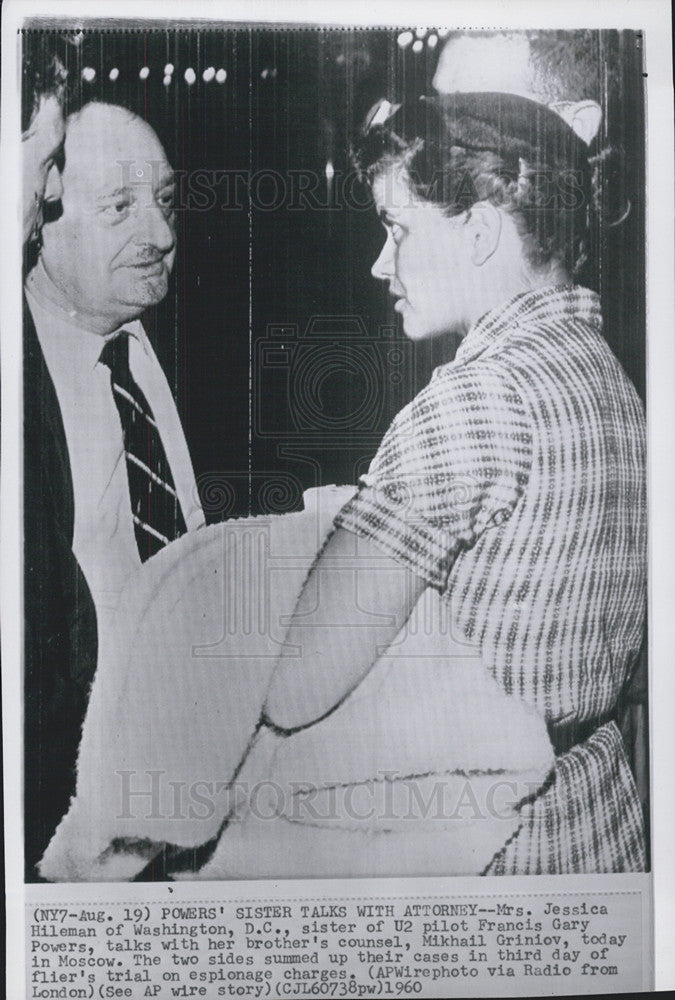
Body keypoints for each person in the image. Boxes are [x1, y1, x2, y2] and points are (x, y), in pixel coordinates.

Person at [261, 93, 647, 874]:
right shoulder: (610, 379)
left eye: (397, 229)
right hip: (596, 825)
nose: (379, 262)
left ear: (477, 231)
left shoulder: (475, 399)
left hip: (486, 858)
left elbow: (294, 687)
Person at [23, 101, 204, 877]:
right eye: (121, 208)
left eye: (164, 201)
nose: (161, 235)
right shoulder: (15, 386)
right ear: (42, 213)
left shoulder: (204, 342)